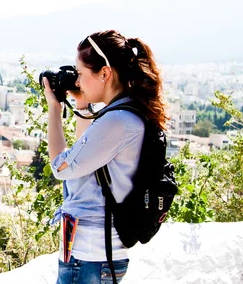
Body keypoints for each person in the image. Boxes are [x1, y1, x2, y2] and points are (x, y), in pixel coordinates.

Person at [42, 30, 169, 283]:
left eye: (80, 74)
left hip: (92, 256)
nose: (77, 82)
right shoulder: (123, 114)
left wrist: (54, 109)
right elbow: (84, 159)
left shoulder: (117, 121)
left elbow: (61, 168)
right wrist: (81, 106)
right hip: (92, 253)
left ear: (104, 73)